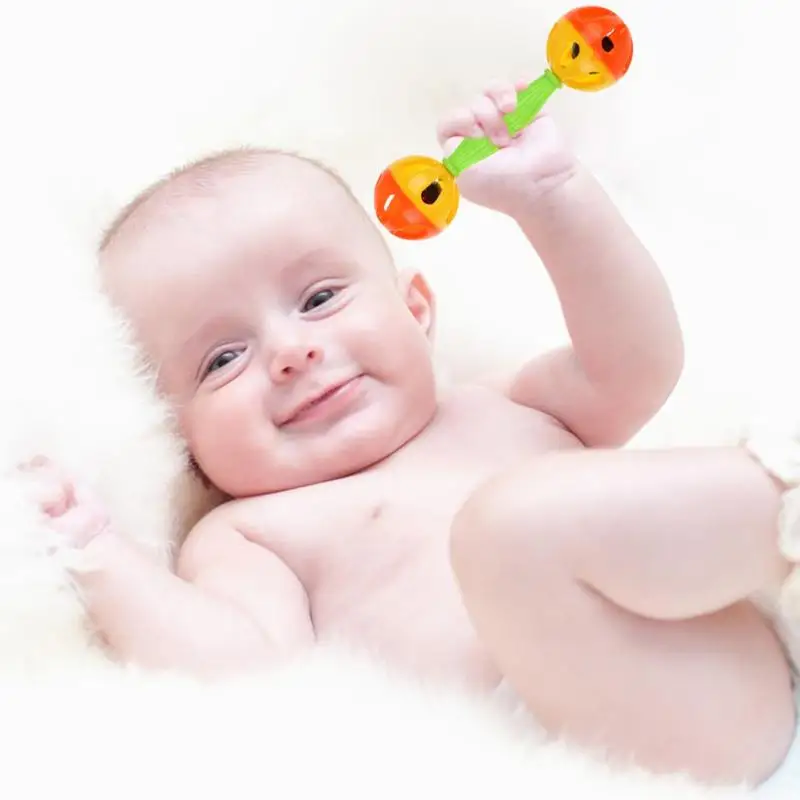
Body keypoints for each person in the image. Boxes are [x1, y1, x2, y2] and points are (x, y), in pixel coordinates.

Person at [25, 78, 799, 786]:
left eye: (319, 298)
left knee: (521, 519)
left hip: (725, 650)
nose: (291, 352)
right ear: (182, 442)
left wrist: (555, 200)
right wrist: (97, 551)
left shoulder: (503, 407)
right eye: (222, 359)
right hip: (629, 743)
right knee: (508, 531)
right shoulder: (253, 534)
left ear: (416, 310)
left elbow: (638, 363)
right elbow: (243, 674)